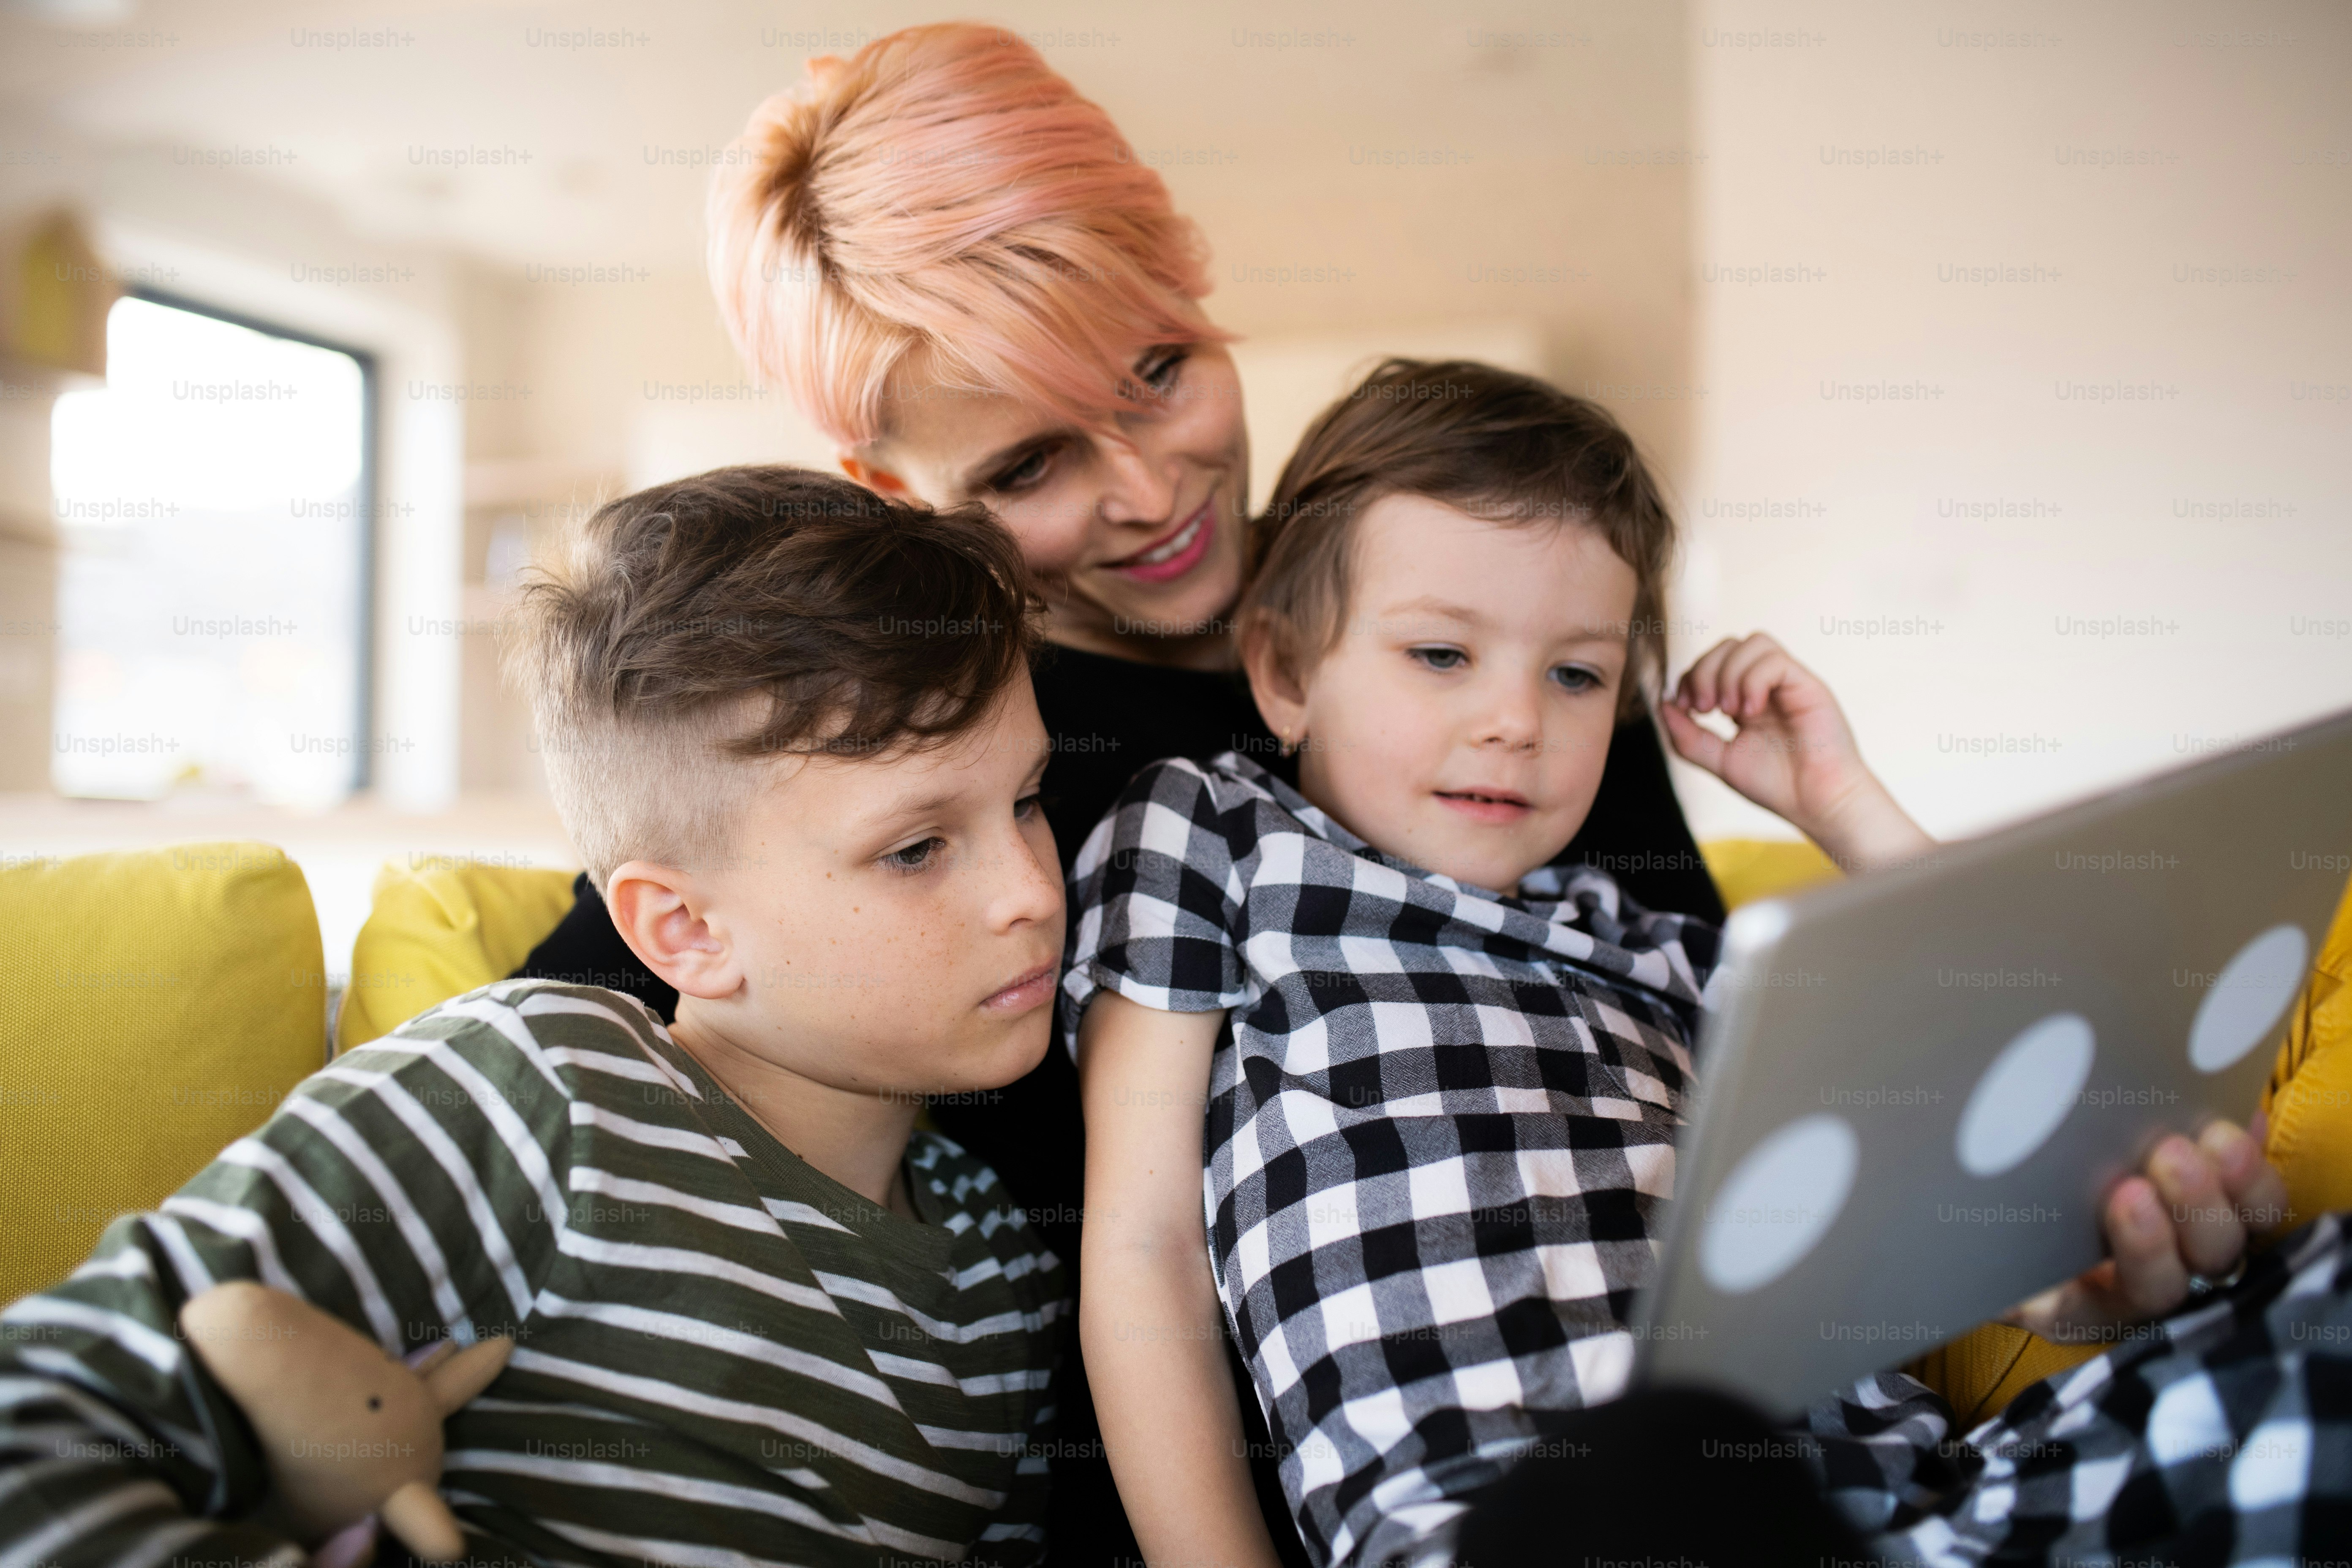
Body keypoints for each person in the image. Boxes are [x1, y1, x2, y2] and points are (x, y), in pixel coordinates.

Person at [518, 23, 1720, 1559]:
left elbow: (1720, 1061)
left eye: (1162, 372)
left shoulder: (1492, 633)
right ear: (903, 494)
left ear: (1202, 290)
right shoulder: (919, 741)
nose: (1150, 493)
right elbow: (579, 1034)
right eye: (1028, 469)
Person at [1067, 361, 2327, 1567]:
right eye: (1441, 654)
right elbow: (1144, 1248)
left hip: (1893, 1506)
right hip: (1522, 1519)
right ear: (1285, 670)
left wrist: (1841, 804)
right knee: (1646, 1490)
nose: (1518, 719)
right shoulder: (1218, 830)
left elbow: (1996, 1114)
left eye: (1577, 674)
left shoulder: (1670, 957)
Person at [0, 467, 1069, 1567]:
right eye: (916, 848)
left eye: (1028, 801)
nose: (1033, 890)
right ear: (684, 928)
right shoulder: (538, 1088)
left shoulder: (1002, 1264)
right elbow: (38, 1432)